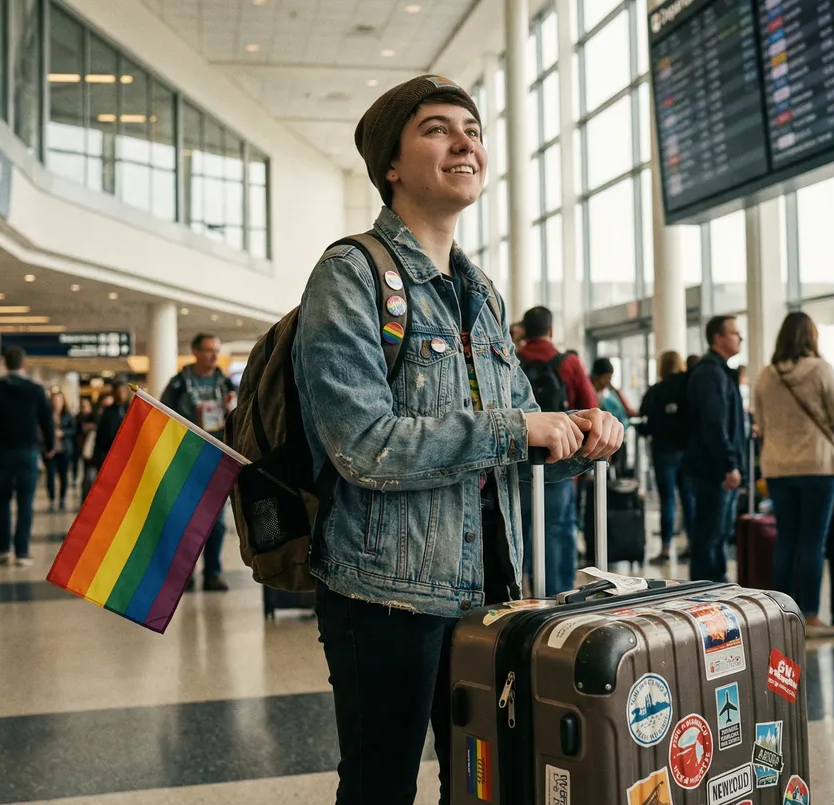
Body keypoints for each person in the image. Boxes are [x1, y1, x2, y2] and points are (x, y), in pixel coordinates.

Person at [292, 75, 624, 805]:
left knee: (482, 781)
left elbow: (513, 438)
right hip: (386, 593)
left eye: (471, 129)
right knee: (380, 783)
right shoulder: (351, 274)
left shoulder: (481, 291)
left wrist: (579, 434)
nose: (464, 141)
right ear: (391, 163)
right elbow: (363, 445)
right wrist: (517, 427)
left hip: (489, 589)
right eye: (438, 129)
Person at [753, 312, 834, 638]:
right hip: (817, 467)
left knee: (786, 540)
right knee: (813, 542)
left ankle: (782, 613)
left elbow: (761, 426)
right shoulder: (821, 370)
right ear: (811, 336)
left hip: (778, 467)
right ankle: (809, 616)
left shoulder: (766, 376)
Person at [518, 306, 598, 594]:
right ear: (551, 331)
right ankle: (557, 598)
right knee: (556, 532)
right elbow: (591, 409)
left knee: (518, 532)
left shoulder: (512, 360)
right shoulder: (568, 363)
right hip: (559, 464)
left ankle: (521, 597)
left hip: (516, 465)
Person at [160, 333, 237, 592]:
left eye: (216, 350)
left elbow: (239, 415)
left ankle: (213, 572)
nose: (214, 355)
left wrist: (231, 411)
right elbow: (163, 415)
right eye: (208, 350)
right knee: (184, 518)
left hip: (217, 457)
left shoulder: (225, 383)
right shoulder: (179, 383)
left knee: (216, 520)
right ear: (195, 352)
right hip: (186, 458)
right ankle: (184, 573)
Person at [682, 316, 745, 583]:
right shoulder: (710, 373)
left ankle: (714, 593)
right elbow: (713, 423)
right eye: (734, 333)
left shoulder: (717, 371)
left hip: (713, 468)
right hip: (712, 470)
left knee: (715, 536)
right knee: (710, 537)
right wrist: (728, 464)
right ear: (718, 338)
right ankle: (707, 596)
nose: (739, 337)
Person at [0, 346, 55, 568]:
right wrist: (50, 445)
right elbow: (47, 420)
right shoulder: (35, 390)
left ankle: (3, 549)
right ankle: (22, 552)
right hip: (27, 451)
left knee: (3, 501)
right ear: (24, 364)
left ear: (5, 363)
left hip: (3, 451)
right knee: (25, 502)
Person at [638, 350, 695, 561]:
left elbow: (643, 419)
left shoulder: (656, 390)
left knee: (667, 499)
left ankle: (665, 547)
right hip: (687, 450)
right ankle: (692, 544)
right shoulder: (689, 387)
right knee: (689, 498)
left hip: (663, 450)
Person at [43, 391, 75, 512]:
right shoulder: (47, 415)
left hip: (64, 448)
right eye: (55, 400)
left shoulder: (67, 415)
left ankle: (62, 498)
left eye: (59, 400)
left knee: (63, 475)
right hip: (50, 449)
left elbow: (73, 430)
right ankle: (51, 499)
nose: (57, 403)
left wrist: (63, 433)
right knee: (50, 474)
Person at [93, 381, 131, 470]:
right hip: (111, 452)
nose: (121, 394)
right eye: (119, 392)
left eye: (123, 391)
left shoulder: (131, 410)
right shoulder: (108, 412)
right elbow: (101, 436)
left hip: (128, 453)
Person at [72, 397, 94, 493]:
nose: (84, 408)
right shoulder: (77, 418)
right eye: (82, 406)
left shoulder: (94, 417)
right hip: (79, 447)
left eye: (86, 406)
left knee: (88, 473)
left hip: (90, 449)